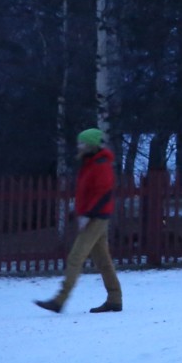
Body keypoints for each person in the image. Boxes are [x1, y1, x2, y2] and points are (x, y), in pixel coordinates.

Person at [35, 128, 123, 314]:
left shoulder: (100, 164)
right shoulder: (90, 163)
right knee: (103, 261)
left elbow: (104, 193)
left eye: (82, 143)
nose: (79, 146)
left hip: (96, 217)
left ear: (91, 144)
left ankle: (60, 300)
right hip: (94, 216)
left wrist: (88, 214)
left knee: (76, 257)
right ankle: (115, 299)